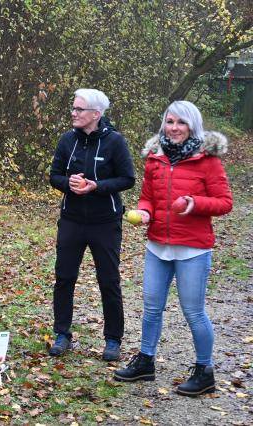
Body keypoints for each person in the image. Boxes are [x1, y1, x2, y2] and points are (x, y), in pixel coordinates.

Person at [114, 101, 232, 396]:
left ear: (192, 125)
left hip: (192, 249)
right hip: (158, 246)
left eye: (181, 122)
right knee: (151, 308)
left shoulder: (209, 160)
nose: (174, 128)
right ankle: (145, 362)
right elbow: (147, 197)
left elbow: (225, 202)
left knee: (193, 312)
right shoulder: (155, 158)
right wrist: (144, 212)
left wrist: (195, 203)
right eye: (169, 122)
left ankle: (204, 371)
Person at [48, 88, 135, 361]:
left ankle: (113, 340)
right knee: (64, 277)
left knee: (108, 280)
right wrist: (69, 184)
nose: (73, 113)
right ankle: (62, 333)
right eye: (73, 109)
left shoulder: (115, 142)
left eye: (79, 109)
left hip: (105, 222)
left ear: (96, 114)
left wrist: (97, 187)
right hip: (72, 220)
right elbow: (54, 176)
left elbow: (127, 179)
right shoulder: (66, 141)